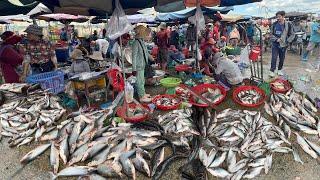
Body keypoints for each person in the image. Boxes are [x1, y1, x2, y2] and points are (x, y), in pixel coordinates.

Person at [132, 25, 154, 103]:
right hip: (138, 66)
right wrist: (133, 69)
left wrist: (152, 59)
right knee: (139, 81)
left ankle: (143, 94)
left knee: (142, 81)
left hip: (143, 65)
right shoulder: (135, 43)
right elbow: (133, 57)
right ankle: (141, 97)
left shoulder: (141, 42)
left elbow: (146, 53)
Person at [269, 11, 294, 77]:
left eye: (279, 16)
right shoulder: (274, 24)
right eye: (277, 17)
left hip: (284, 45)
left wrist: (287, 41)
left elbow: (292, 34)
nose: (278, 18)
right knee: (274, 58)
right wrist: (276, 39)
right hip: (275, 44)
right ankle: (272, 70)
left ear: (283, 16)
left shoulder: (288, 24)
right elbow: (270, 34)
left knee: (282, 58)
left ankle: (279, 70)